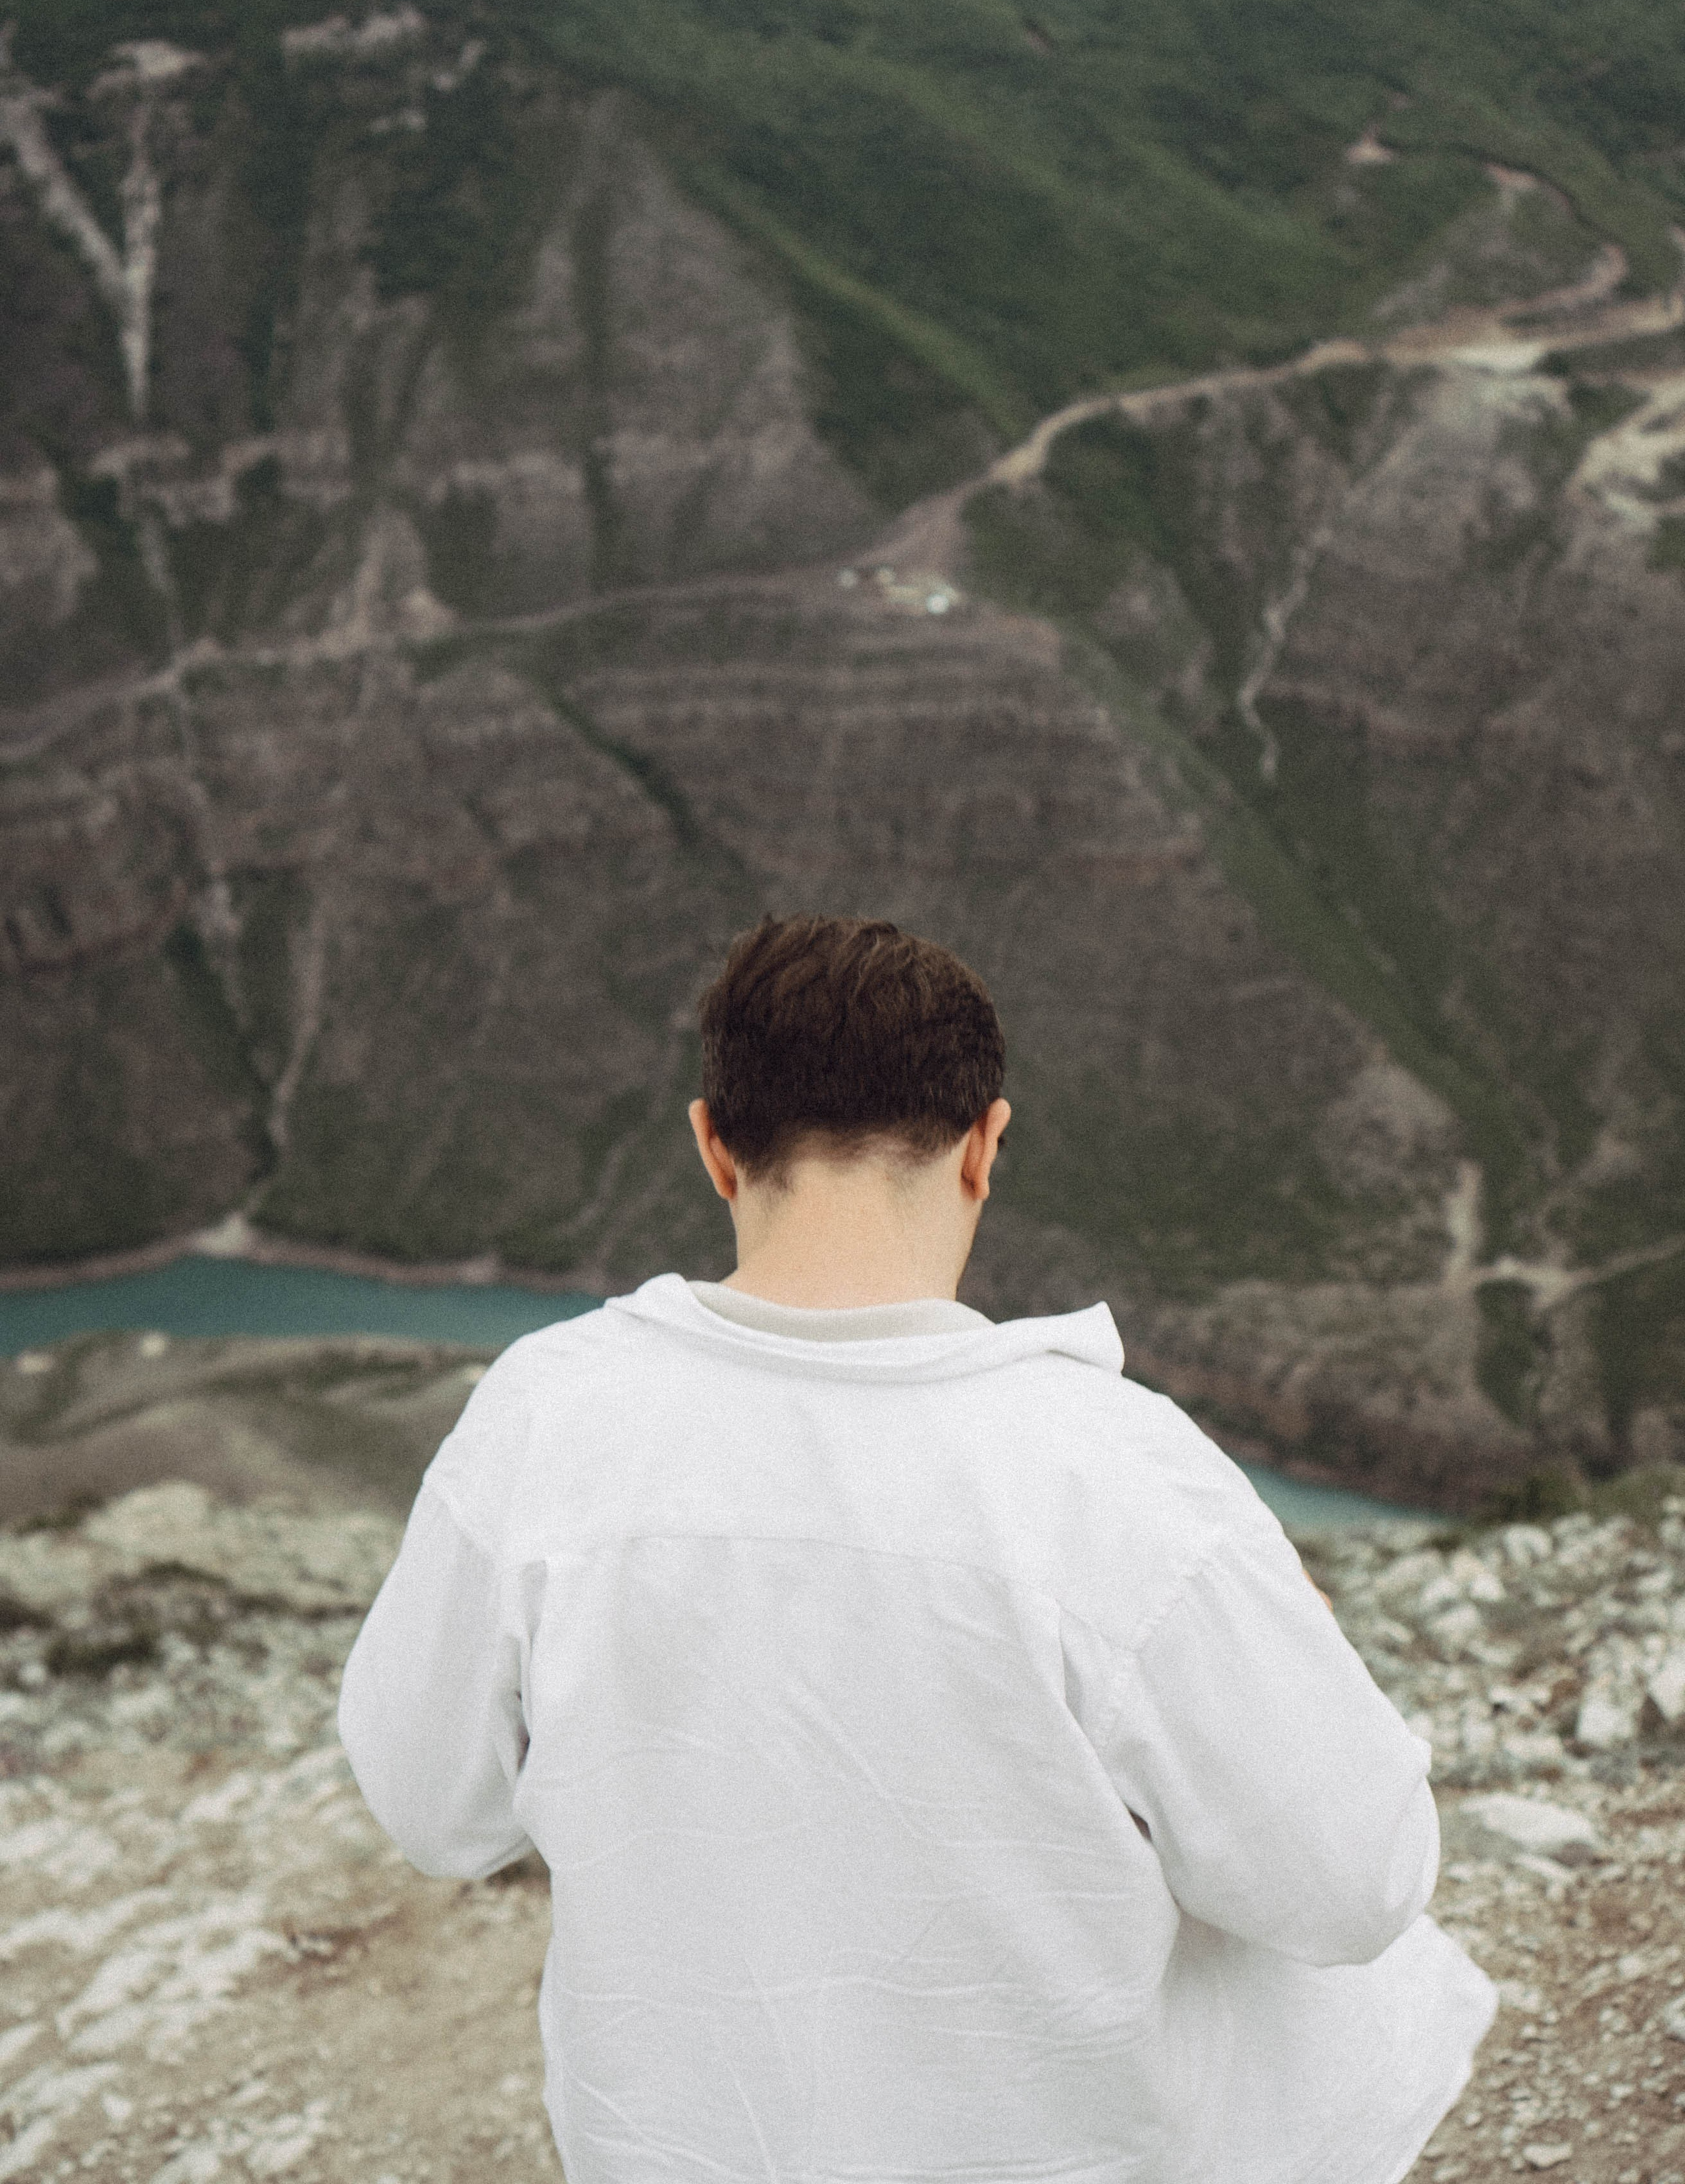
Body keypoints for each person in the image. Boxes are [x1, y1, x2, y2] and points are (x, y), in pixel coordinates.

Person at [338, 913, 1495, 2184]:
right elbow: (1356, 1886)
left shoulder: (543, 1419)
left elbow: (431, 1810)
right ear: (985, 1147)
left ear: (715, 1147)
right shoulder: (1117, 1473)